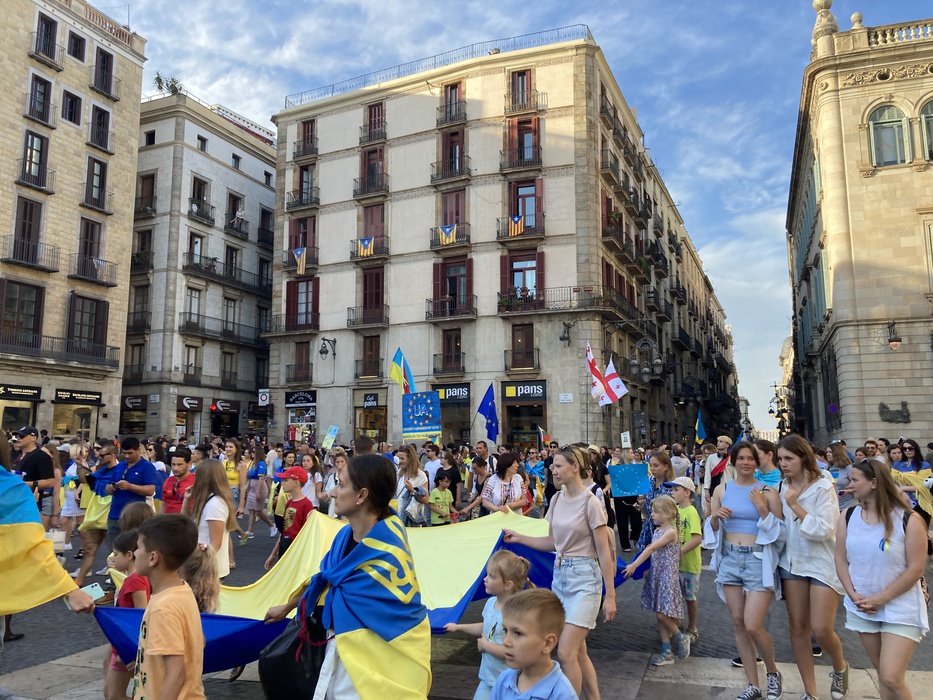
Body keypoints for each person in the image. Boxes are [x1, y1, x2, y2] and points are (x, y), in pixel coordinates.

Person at [263, 454, 432, 698]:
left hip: (375, 659)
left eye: (341, 485)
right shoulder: (345, 535)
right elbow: (327, 579)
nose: (332, 493)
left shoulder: (389, 548)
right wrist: (287, 607)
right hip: (340, 648)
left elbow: (397, 608)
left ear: (362, 495)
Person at [502, 445, 616, 698]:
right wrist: (519, 537)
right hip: (561, 577)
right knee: (579, 652)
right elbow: (553, 542)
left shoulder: (591, 502)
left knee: (565, 652)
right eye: (552, 466)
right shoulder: (556, 499)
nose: (552, 470)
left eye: (558, 466)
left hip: (585, 580)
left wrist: (610, 595)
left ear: (575, 467)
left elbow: (603, 550)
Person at [835, 459, 928, 700]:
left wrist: (881, 598)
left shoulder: (909, 519)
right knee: (882, 674)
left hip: (900, 606)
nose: (849, 484)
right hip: (862, 604)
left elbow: (916, 569)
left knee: (891, 677)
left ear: (874, 483)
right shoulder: (848, 515)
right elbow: (840, 559)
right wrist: (851, 593)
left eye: (855, 480)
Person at [705, 441, 784, 700]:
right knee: (738, 623)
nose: (746, 462)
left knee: (753, 624)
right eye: (741, 458)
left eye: (751, 458)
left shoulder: (768, 492)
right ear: (734, 462)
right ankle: (753, 685)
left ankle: (772, 672)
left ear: (757, 462)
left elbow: (781, 531)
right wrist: (715, 516)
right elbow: (712, 529)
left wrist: (761, 508)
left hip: (757, 560)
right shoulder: (722, 489)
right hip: (729, 558)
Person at [776, 435, 849, 700]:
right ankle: (810, 691)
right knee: (798, 628)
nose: (783, 464)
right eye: (780, 459)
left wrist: (795, 506)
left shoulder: (823, 486)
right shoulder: (781, 486)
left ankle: (840, 667)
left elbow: (825, 529)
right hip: (792, 563)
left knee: (821, 628)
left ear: (803, 458)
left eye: (789, 458)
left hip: (821, 563)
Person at [132, 514, 206, 699]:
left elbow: (177, 674)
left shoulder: (163, 608)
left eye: (138, 547)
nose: (134, 553)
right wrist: (148, 662)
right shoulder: (181, 590)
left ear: (153, 558)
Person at [444, 551, 532, 699]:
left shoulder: (516, 614)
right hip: (488, 680)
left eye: (491, 576)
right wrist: (459, 627)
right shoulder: (491, 603)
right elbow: (486, 626)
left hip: (511, 684)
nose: (485, 579)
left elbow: (513, 653)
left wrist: (486, 646)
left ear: (508, 585)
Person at [623, 494, 689, 666]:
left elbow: (651, 549)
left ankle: (681, 638)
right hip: (658, 576)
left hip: (667, 577)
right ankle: (667, 652)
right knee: (660, 616)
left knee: (662, 613)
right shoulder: (658, 531)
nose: (651, 514)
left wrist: (634, 565)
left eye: (655, 512)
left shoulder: (671, 532)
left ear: (666, 514)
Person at [488, 589, 577, 700]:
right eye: (505, 630)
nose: (506, 641)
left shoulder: (562, 695)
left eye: (517, 633)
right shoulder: (504, 680)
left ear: (548, 643)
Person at [103, 530, 150, 700]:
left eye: (116, 554)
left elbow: (141, 617)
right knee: (110, 693)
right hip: (122, 643)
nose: (113, 558)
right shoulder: (135, 578)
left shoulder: (135, 580)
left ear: (129, 555)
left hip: (127, 645)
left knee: (114, 696)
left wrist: (131, 651)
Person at [182, 459, 236, 579]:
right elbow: (185, 522)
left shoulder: (215, 504)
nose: (194, 480)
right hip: (205, 566)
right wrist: (187, 499)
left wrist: (200, 565)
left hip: (208, 569)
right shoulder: (209, 500)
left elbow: (215, 543)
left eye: (197, 476)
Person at [667, 476, 702, 644]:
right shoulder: (674, 511)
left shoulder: (692, 512)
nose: (672, 493)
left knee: (689, 597)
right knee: (675, 597)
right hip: (675, 565)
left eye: (676, 490)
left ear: (687, 493)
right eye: (672, 490)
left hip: (688, 566)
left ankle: (692, 627)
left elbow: (697, 538)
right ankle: (676, 624)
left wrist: (680, 552)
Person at [265, 466, 313, 569]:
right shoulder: (289, 503)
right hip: (285, 545)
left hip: (297, 550)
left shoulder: (307, 505)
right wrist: (273, 554)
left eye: (286, 480)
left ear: (296, 483)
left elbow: (307, 532)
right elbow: (284, 531)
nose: (282, 483)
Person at [12, 426, 55, 529]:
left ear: (33, 438)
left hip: (29, 502)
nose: (18, 438)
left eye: (22, 436)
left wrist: (26, 484)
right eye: (17, 436)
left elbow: (50, 482)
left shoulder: (42, 457)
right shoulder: (14, 454)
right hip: (12, 501)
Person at [635, 451, 675, 552]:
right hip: (649, 527)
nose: (652, 468)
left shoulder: (670, 487)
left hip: (662, 530)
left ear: (666, 466)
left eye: (656, 465)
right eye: (651, 465)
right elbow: (648, 512)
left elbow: (670, 513)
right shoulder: (651, 482)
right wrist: (642, 506)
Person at [240, 446, 275, 541]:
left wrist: (258, 492)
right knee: (251, 510)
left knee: (258, 511)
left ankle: (272, 525)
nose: (252, 454)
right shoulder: (253, 464)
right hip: (252, 487)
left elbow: (261, 478)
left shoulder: (261, 464)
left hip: (258, 487)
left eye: (253, 452)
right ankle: (249, 531)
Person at [397, 444, 429, 527]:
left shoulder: (421, 475)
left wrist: (412, 491)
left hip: (413, 520)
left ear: (410, 459)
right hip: (399, 518)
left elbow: (426, 500)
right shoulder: (399, 473)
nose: (399, 461)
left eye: (402, 458)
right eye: (399, 458)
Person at [703, 436, 734, 516]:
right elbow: (707, 475)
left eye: (721, 441)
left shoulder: (732, 458)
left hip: (728, 489)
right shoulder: (711, 458)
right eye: (718, 441)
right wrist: (706, 490)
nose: (718, 443)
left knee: (727, 512)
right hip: (715, 489)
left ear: (727, 445)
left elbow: (735, 476)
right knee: (714, 512)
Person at [162, 448, 195, 515]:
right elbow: (164, 504)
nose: (175, 468)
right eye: (173, 464)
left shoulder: (196, 481)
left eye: (179, 465)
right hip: (167, 519)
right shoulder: (168, 481)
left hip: (186, 519)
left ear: (189, 465)